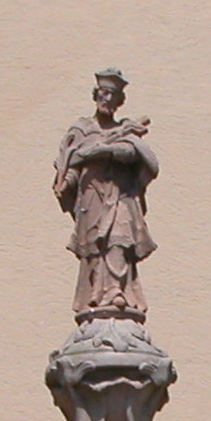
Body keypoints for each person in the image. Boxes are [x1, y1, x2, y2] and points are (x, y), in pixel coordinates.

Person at [53, 68, 158, 320]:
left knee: (118, 237)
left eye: (112, 94)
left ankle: (115, 291)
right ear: (95, 95)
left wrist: (103, 151)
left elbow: (132, 154)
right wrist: (66, 182)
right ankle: (95, 295)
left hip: (119, 195)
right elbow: (73, 163)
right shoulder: (82, 129)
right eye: (103, 93)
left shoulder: (126, 130)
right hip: (91, 197)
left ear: (119, 100)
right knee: (94, 245)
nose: (106, 98)